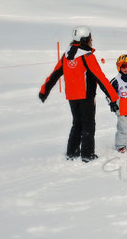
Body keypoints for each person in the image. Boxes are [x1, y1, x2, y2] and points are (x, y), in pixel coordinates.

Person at [39, 26, 119, 162]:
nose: (92, 40)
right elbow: (100, 78)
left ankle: (72, 152)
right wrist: (113, 97)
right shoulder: (87, 56)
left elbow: (55, 73)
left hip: (72, 96)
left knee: (77, 123)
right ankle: (87, 155)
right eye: (90, 38)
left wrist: (44, 91)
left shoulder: (67, 55)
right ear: (85, 39)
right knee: (88, 124)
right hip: (86, 96)